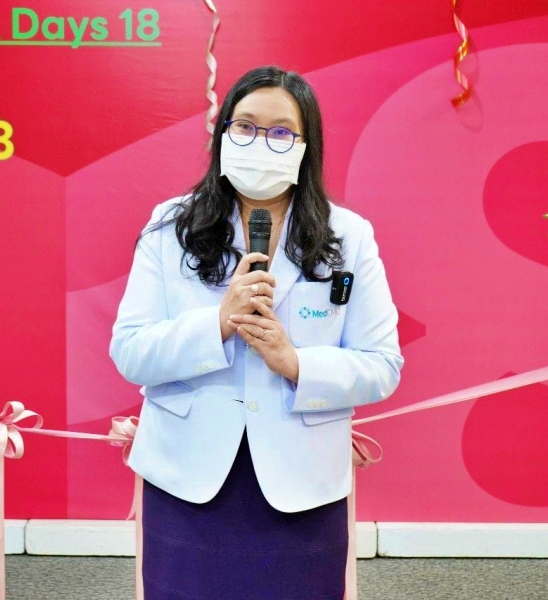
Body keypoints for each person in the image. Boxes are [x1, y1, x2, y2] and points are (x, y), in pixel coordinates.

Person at [110, 65, 403, 599]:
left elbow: (382, 365)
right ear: (223, 133)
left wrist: (296, 363)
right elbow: (130, 351)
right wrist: (218, 324)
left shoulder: (349, 237)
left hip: (302, 484)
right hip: (187, 477)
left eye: (281, 132)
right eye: (244, 126)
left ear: (305, 146)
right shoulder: (170, 226)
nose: (260, 142)